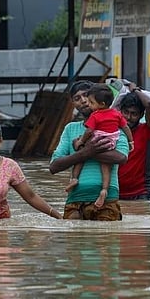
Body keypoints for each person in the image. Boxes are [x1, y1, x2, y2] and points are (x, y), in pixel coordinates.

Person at [49, 80, 129, 221]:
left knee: (106, 241)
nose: (83, 101)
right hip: (75, 200)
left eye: (86, 95)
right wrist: (85, 152)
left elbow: (121, 157)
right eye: (77, 98)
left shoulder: (114, 125)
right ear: (73, 104)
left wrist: (86, 151)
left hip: (107, 201)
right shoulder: (71, 129)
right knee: (75, 240)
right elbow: (54, 166)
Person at [67, 83, 134, 208]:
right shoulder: (117, 115)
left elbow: (89, 131)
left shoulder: (95, 115)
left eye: (90, 101)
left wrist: (81, 143)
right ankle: (104, 190)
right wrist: (131, 141)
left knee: (80, 157)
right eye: (77, 98)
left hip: (96, 139)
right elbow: (126, 127)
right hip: (110, 142)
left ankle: (74, 179)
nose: (86, 102)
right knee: (105, 167)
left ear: (101, 104)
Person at [118, 83, 150, 200]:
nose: (128, 117)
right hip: (114, 193)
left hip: (141, 193)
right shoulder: (113, 132)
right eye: (125, 112)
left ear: (141, 115)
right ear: (120, 111)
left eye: (134, 114)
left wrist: (134, 89)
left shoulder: (148, 131)